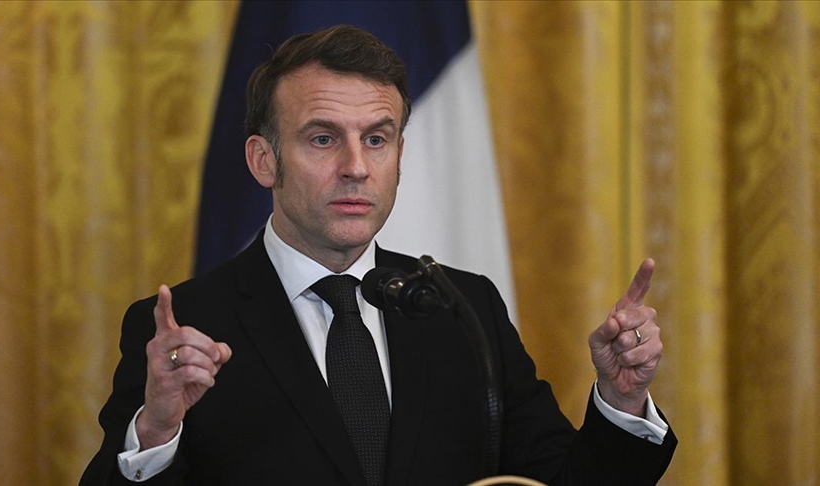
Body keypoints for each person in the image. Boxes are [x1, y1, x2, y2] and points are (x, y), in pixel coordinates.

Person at [81, 25, 676, 486]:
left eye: (376, 138)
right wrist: (157, 428)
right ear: (264, 160)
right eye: (323, 139)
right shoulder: (187, 326)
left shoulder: (465, 307)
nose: (356, 167)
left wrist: (621, 399)